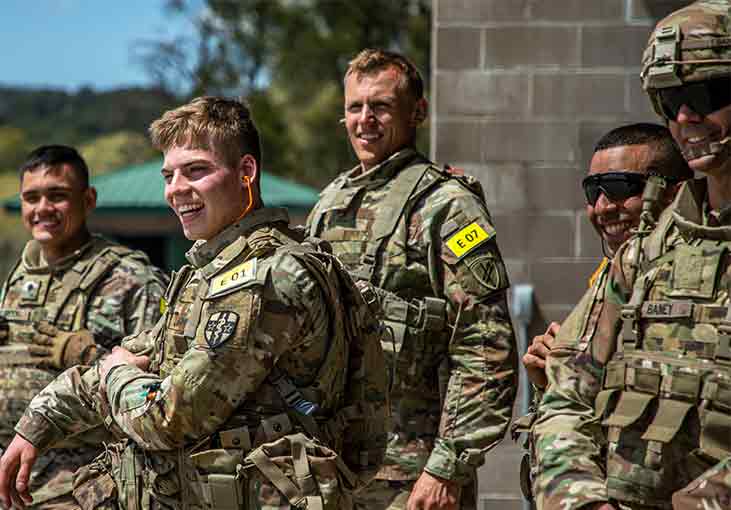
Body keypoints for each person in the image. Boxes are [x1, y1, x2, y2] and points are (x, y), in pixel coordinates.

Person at [0, 97, 387, 510]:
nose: (176, 189)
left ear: (245, 172)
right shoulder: (213, 271)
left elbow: (170, 417)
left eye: (196, 170)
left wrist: (115, 375)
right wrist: (38, 422)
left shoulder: (264, 279)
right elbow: (147, 351)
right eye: (169, 174)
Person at [533, 1, 731, 509]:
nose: (687, 117)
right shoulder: (648, 252)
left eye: (708, 94)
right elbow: (566, 397)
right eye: (669, 102)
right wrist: (583, 500)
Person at [306, 49, 518, 510]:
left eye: (380, 106)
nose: (365, 120)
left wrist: (448, 467)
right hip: (334, 468)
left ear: (417, 112)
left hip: (416, 477)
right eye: (354, 107)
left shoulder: (448, 206)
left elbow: (486, 347)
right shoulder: (328, 204)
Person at [513, 124, 692, 502]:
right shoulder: (606, 283)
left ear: (674, 192)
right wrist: (553, 381)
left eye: (622, 189)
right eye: (593, 192)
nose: (603, 207)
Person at [0, 145, 167, 509]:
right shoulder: (18, 277)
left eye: (57, 196)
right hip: (14, 478)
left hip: (86, 484)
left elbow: (161, 386)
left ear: (88, 199)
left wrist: (90, 355)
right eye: (31, 197)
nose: (42, 208)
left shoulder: (131, 277)